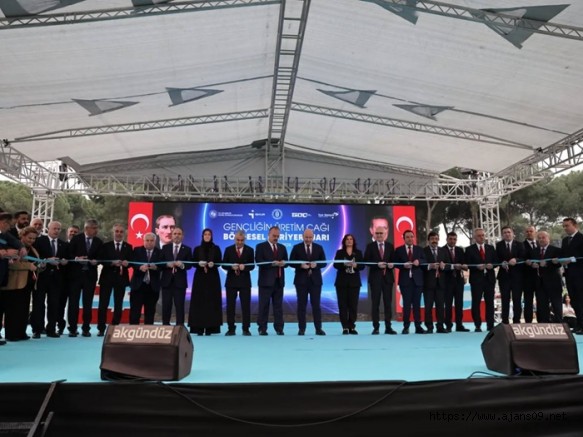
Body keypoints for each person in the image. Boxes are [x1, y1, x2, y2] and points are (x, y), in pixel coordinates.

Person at [0, 226, 40, 341]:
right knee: (13, 311)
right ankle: (12, 335)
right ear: (22, 236)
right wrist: (28, 266)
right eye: (29, 238)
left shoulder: (33, 249)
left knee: (23, 310)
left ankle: (21, 332)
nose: (31, 240)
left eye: (34, 238)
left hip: (28, 284)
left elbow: (35, 263)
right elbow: (11, 264)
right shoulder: (14, 248)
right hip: (15, 283)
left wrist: (40, 266)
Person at [32, 221, 68, 338]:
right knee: (38, 304)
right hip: (42, 277)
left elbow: (67, 259)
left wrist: (64, 262)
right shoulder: (39, 241)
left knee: (54, 304)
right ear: (48, 229)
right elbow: (35, 257)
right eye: (54, 228)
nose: (56, 231)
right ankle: (37, 329)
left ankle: (51, 329)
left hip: (56, 279)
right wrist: (47, 260)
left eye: (58, 229)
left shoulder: (63, 244)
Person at [67, 219, 103, 337]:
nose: (96, 230)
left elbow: (101, 257)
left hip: (90, 276)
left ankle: (86, 328)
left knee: (88, 303)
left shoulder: (98, 242)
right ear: (87, 228)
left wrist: (96, 261)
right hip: (75, 276)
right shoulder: (76, 239)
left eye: (97, 228)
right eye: (94, 228)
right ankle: (72, 328)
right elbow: (68, 254)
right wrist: (76, 259)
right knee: (73, 303)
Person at [96, 223, 133, 336]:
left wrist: (127, 263)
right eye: (117, 231)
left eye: (121, 232)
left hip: (121, 279)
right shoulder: (106, 246)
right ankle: (101, 328)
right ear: (113, 232)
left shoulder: (128, 247)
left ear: (124, 233)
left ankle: (115, 326)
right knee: (103, 303)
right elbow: (101, 260)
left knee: (118, 303)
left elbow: (131, 262)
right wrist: (111, 263)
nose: (119, 234)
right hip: (107, 278)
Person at [290, 229, 327, 336]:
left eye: (310, 237)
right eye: (306, 237)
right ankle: (301, 329)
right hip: (301, 281)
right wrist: (300, 265)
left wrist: (317, 265)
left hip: (315, 281)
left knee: (316, 305)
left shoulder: (319, 247)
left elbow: (324, 262)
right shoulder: (296, 247)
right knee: (301, 305)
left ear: (313, 237)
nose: (308, 239)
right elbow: (291, 262)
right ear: (303, 237)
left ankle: (318, 329)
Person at [255, 226, 288, 335]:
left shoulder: (282, 247)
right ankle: (262, 328)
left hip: (279, 282)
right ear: (268, 234)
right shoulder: (260, 246)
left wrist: (284, 263)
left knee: (278, 307)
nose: (276, 238)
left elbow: (287, 262)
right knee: (264, 306)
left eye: (278, 236)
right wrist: (271, 264)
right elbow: (258, 261)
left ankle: (279, 328)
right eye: (274, 236)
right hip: (265, 282)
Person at [189, 228, 223, 335]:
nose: (207, 236)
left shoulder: (216, 248)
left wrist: (214, 264)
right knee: (199, 302)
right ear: (202, 236)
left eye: (209, 234)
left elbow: (220, 262)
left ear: (211, 236)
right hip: (200, 278)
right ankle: (198, 328)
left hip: (213, 278)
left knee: (212, 302)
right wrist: (198, 263)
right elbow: (193, 263)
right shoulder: (197, 249)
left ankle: (210, 328)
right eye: (205, 234)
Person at [363, 225, 396, 335]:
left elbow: (394, 261)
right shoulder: (370, 246)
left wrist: (392, 265)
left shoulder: (390, 246)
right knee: (375, 304)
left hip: (388, 279)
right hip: (375, 279)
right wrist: (377, 265)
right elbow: (366, 261)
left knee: (388, 304)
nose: (379, 235)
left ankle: (388, 327)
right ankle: (376, 327)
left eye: (381, 233)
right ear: (374, 234)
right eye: (377, 233)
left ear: (385, 234)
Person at [221, 230, 255, 336]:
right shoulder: (228, 249)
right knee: (230, 307)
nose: (240, 242)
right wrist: (231, 267)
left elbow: (252, 265)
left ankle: (246, 328)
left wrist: (245, 267)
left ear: (245, 240)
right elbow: (223, 264)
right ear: (234, 239)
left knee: (246, 306)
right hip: (231, 282)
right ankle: (231, 328)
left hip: (245, 282)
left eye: (242, 240)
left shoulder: (250, 250)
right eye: (238, 240)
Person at [464, 228, 498, 332]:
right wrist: (476, 267)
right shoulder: (469, 249)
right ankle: (477, 325)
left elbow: (496, 261)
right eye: (479, 236)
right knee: (476, 303)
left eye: (483, 235)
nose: (481, 237)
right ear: (474, 237)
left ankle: (490, 325)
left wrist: (492, 265)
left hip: (489, 279)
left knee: (490, 303)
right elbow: (467, 263)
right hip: (476, 280)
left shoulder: (490, 248)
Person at [394, 229, 426, 334]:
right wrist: (403, 265)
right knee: (406, 305)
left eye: (411, 237)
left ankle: (418, 326)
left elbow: (425, 260)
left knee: (417, 305)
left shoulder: (419, 249)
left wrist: (419, 261)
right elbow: (395, 263)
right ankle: (406, 327)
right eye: (407, 237)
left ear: (414, 238)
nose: (410, 239)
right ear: (404, 238)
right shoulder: (399, 250)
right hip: (405, 282)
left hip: (418, 281)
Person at [0, 212, 25, 345]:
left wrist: (21, 247)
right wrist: (2, 253)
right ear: (3, 222)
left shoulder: (5, 235)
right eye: (8, 224)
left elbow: (15, 241)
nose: (9, 227)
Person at [160, 227, 192, 326]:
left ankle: (180, 326)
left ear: (182, 236)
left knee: (179, 305)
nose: (177, 236)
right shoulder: (165, 248)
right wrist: (167, 264)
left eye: (179, 234)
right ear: (172, 236)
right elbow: (160, 263)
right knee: (166, 305)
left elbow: (190, 265)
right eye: (175, 234)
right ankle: (165, 326)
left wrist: (182, 265)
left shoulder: (187, 249)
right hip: (167, 282)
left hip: (180, 283)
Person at [333, 234, 365, 334]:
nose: (349, 240)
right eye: (347, 239)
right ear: (344, 241)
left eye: (351, 239)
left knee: (353, 306)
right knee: (342, 305)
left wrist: (356, 265)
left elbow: (362, 266)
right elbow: (335, 265)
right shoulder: (339, 252)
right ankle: (345, 327)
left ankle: (352, 326)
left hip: (354, 283)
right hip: (341, 283)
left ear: (353, 241)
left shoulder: (358, 253)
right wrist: (344, 264)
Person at [528, 231, 562, 323]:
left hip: (553, 282)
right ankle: (544, 324)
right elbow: (530, 262)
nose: (541, 240)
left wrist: (547, 264)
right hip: (540, 282)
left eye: (543, 237)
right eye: (539, 238)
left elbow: (559, 264)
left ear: (548, 238)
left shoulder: (556, 250)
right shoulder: (534, 251)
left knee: (556, 304)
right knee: (542, 305)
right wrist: (532, 264)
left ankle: (559, 324)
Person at [129, 232, 162, 325]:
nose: (149, 242)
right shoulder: (137, 250)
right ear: (143, 241)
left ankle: (148, 330)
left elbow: (163, 266)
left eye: (151, 240)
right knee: (135, 311)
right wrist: (140, 267)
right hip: (138, 286)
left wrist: (156, 268)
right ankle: (133, 330)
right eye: (147, 240)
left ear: (155, 241)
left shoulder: (159, 252)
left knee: (150, 312)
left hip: (152, 287)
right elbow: (133, 263)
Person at [496, 226, 525, 324]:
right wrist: (502, 262)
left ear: (513, 234)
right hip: (504, 277)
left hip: (517, 277)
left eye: (509, 232)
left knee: (517, 299)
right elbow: (496, 258)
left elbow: (523, 257)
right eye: (504, 232)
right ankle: (505, 321)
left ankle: (516, 321)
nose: (507, 234)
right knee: (505, 300)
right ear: (502, 235)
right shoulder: (499, 245)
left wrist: (516, 260)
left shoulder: (520, 244)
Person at [441, 231, 469, 332]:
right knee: (448, 304)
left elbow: (464, 263)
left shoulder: (460, 250)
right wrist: (453, 266)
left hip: (459, 280)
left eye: (454, 239)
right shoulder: (442, 250)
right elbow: (442, 266)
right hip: (447, 281)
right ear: (447, 239)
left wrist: (464, 266)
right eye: (450, 239)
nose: (452, 241)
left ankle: (459, 324)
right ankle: (448, 325)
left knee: (459, 304)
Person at [560, 218, 583, 334]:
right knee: (574, 300)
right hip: (569, 275)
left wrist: (572, 260)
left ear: (575, 225)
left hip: (580, 275)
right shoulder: (565, 240)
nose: (565, 228)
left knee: (581, 299)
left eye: (567, 225)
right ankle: (579, 324)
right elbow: (563, 254)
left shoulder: (581, 238)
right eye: (564, 226)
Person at [56, 224, 79, 335]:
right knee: (60, 304)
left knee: (73, 305)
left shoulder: (80, 247)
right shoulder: (62, 245)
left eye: (75, 232)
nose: (73, 233)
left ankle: (73, 328)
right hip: (62, 279)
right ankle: (60, 326)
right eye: (71, 231)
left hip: (75, 280)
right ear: (67, 233)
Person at [423, 231, 446, 333]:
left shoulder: (443, 251)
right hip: (428, 283)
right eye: (432, 239)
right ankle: (429, 327)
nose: (434, 241)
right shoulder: (423, 251)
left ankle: (440, 326)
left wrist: (443, 266)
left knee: (440, 306)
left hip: (440, 283)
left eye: (436, 239)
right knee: (428, 307)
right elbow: (421, 265)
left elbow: (448, 264)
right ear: (428, 240)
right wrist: (429, 266)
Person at [522, 225, 538, 323]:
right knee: (528, 301)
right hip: (527, 278)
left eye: (531, 231)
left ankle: (542, 321)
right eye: (527, 231)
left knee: (541, 300)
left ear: (535, 232)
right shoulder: (521, 245)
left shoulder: (540, 244)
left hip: (540, 277)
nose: (529, 233)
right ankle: (528, 322)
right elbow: (521, 258)